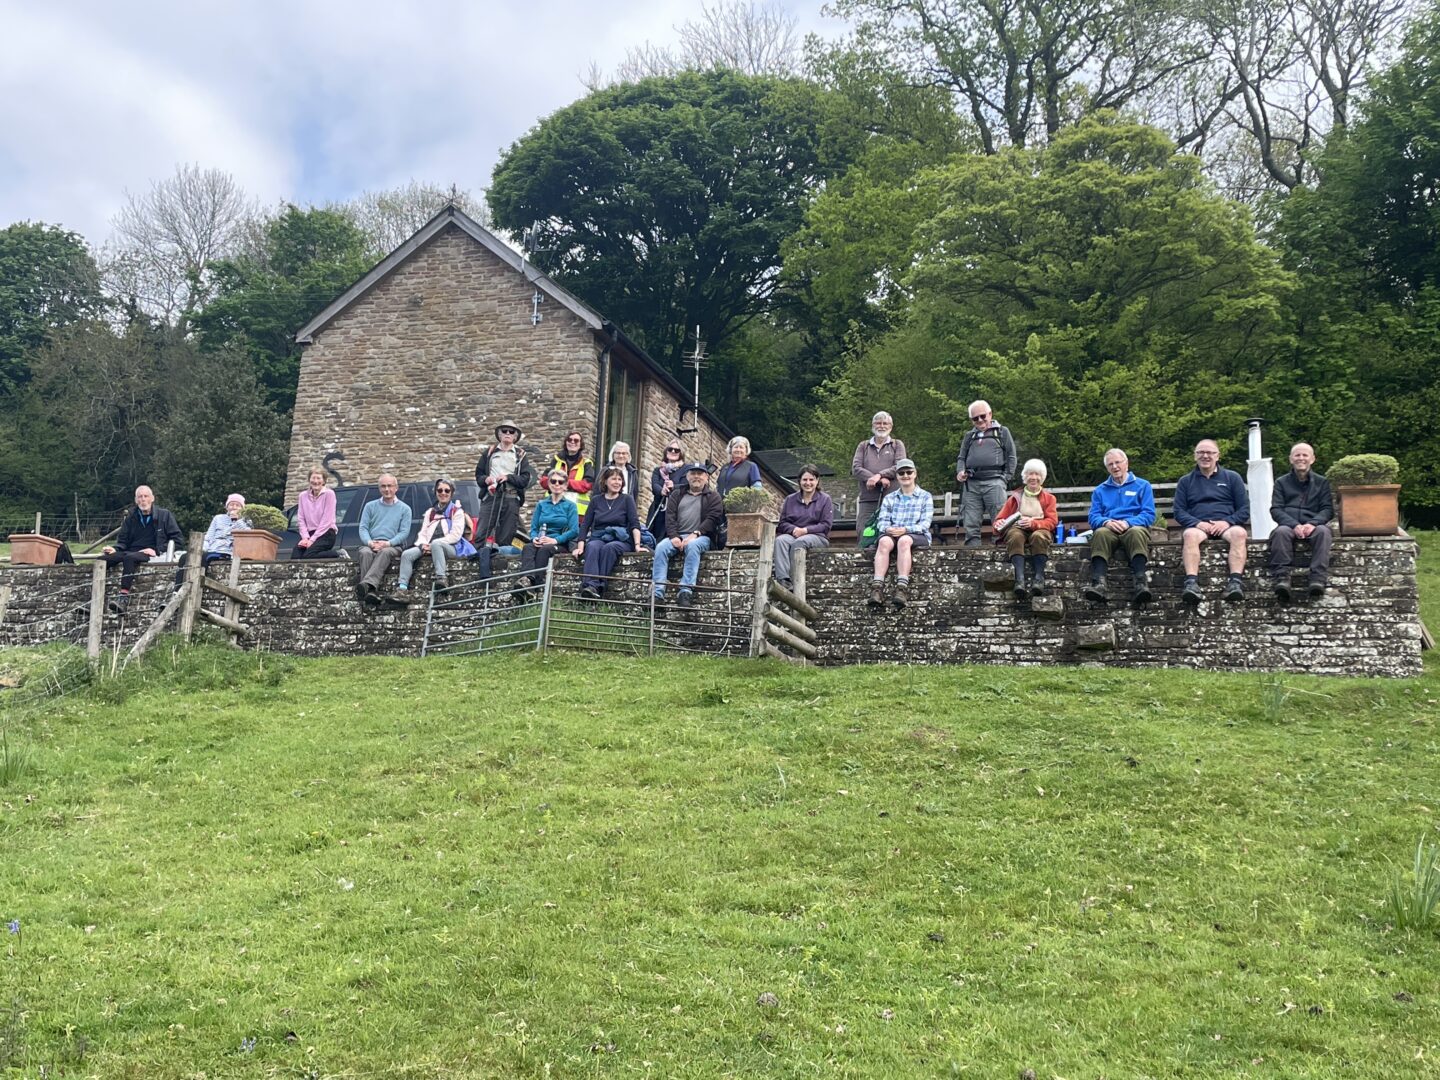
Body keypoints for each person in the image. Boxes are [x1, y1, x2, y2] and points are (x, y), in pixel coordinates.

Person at [1174, 438, 1250, 604]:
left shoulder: (1233, 478)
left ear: (1218, 456)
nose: (1205, 456)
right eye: (1201, 452)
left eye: (1209, 452)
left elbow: (1244, 509)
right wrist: (1198, 523)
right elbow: (1179, 511)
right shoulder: (1185, 481)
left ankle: (1235, 582)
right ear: (1195, 456)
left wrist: (1227, 522)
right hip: (1198, 526)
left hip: (1226, 525)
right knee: (1189, 535)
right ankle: (1191, 583)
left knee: (1240, 533)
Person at [1084, 448, 1158, 604]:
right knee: (1100, 533)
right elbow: (1093, 516)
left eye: (1118, 462)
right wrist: (1107, 522)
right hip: (1109, 528)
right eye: (1110, 464)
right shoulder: (1099, 490)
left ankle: (1140, 582)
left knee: (1136, 532)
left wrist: (1128, 522)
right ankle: (1099, 583)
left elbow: (1149, 514)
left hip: (1133, 526)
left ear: (1126, 463)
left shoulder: (1143, 485)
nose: (1115, 467)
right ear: (1107, 468)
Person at [651, 462, 725, 610]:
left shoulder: (714, 497)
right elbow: (669, 516)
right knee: (660, 548)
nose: (696, 476)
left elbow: (712, 519)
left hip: (702, 537)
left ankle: (685, 592)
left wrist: (695, 534)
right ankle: (657, 594)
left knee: (692, 546)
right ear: (687, 476)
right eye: (693, 473)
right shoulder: (677, 494)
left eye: (700, 474)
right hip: (677, 535)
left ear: (706, 477)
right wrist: (673, 536)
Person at [102, 485, 184, 614]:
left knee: (130, 558)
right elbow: (122, 542)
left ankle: (123, 599)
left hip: (149, 553)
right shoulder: (130, 517)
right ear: (136, 500)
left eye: (146, 496)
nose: (143, 500)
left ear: (152, 499)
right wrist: (114, 548)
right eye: (140, 497)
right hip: (129, 551)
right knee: (102, 560)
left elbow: (178, 541)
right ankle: (94, 600)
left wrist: (157, 550)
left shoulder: (164, 515)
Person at [1269, 442, 1334, 600]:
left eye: (1305, 455)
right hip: (1288, 525)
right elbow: (1276, 509)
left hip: (1314, 525)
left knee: (1324, 532)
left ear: (1312, 459)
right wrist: (1294, 525)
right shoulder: (1281, 482)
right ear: (1291, 459)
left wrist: (1313, 523)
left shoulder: (1322, 482)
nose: (1301, 458)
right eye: (1297, 455)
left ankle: (1317, 580)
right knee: (1280, 532)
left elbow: (1327, 509)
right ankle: (1282, 579)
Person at [394, 479, 476, 599]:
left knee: (437, 544)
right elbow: (423, 533)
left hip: (452, 547)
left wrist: (433, 545)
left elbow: (455, 535)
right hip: (430, 546)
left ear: (451, 493)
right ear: (436, 492)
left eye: (447, 490)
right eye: (440, 490)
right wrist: (423, 545)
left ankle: (441, 578)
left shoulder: (456, 511)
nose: (443, 493)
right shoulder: (430, 512)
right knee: (407, 554)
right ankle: (402, 588)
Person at [868, 458, 932, 610]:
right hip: (892, 533)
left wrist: (905, 529)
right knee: (883, 542)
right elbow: (881, 522)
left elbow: (925, 524)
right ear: (897, 476)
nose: (905, 476)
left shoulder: (925, 496)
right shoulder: (889, 498)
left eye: (909, 472)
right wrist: (889, 529)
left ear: (915, 474)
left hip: (917, 534)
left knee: (904, 541)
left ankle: (901, 588)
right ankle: (877, 587)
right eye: (901, 473)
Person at [574, 466, 645, 599]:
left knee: (609, 548)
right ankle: (590, 585)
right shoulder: (596, 500)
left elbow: (635, 524)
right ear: (605, 481)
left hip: (620, 539)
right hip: (599, 536)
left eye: (619, 479)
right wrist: (580, 547)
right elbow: (585, 525)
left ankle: (600, 586)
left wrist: (637, 545)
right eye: (613, 479)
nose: (617, 482)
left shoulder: (627, 499)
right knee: (593, 546)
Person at [955, 399, 1017, 547]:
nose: (980, 420)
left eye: (983, 416)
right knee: (971, 520)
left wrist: (1005, 478)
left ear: (990, 414)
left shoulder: (1002, 432)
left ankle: (1001, 549)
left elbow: (1011, 456)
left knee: (1000, 518)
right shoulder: (969, 436)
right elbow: (961, 457)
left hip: (995, 481)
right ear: (971, 420)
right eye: (975, 418)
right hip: (971, 483)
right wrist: (960, 471)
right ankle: (972, 553)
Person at [995, 460, 1057, 600]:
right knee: (1015, 536)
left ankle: (1039, 579)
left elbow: (1052, 521)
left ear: (1042, 477)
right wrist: (1001, 522)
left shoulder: (1049, 498)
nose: (1033, 477)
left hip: (1040, 527)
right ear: (1025, 476)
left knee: (1039, 537)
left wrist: (1034, 523)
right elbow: (998, 520)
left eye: (1037, 474)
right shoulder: (1015, 497)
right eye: (1030, 474)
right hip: (1018, 528)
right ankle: (1019, 580)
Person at [518, 468, 581, 599]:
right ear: (549, 484)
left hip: (559, 543)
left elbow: (574, 530)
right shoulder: (541, 504)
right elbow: (534, 527)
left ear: (565, 486)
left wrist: (555, 540)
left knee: (544, 550)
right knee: (528, 547)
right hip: (542, 539)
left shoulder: (570, 506)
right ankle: (527, 580)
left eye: (560, 482)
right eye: (553, 481)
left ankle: (537, 586)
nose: (557, 484)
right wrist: (534, 538)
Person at [355, 474, 414, 606]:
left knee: (385, 552)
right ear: (379, 488)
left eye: (390, 486)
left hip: (392, 545)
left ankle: (365, 585)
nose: (387, 489)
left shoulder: (405, 509)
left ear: (396, 488)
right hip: (371, 543)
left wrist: (387, 543)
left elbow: (404, 532)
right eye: (383, 486)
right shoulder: (370, 506)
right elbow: (363, 528)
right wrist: (370, 543)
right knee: (365, 552)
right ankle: (371, 592)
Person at [475, 422, 534, 551]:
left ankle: (501, 566)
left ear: (515, 436)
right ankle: (478, 562)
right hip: (491, 497)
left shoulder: (520, 455)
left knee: (506, 537)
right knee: (481, 534)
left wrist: (508, 477)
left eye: (511, 432)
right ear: (499, 434)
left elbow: (525, 479)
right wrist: (486, 479)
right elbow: (478, 475)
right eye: (505, 431)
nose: (508, 433)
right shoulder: (489, 452)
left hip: (510, 497)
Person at [773, 465, 833, 592]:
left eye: (811, 479)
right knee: (780, 541)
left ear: (817, 481)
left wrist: (805, 530)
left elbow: (826, 525)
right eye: (805, 480)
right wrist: (794, 529)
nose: (808, 483)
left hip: (818, 537)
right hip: (793, 534)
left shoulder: (825, 499)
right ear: (799, 481)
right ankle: (783, 580)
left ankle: (795, 580)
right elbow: (783, 523)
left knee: (800, 542)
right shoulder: (790, 499)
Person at [852, 411, 906, 550]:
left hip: (892, 499)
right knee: (864, 532)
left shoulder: (897, 445)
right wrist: (875, 479)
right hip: (867, 499)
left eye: (885, 423)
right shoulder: (863, 446)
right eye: (878, 423)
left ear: (891, 426)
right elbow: (856, 468)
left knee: (889, 534)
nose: (881, 426)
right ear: (872, 425)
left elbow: (900, 466)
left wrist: (879, 476)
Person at [541, 430, 594, 519]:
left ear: (581, 444)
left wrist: (563, 483)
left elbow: (587, 485)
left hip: (576, 512)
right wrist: (569, 484)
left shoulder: (586, 463)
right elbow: (544, 481)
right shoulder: (556, 460)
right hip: (553, 508)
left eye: (576, 440)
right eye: (570, 440)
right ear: (566, 443)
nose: (572, 442)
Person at [292, 466, 341, 559]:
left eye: (318, 478)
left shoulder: (329, 494)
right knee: (296, 556)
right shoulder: (303, 496)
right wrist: (305, 538)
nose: (316, 481)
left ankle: (338, 554)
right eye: (313, 478)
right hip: (310, 534)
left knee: (309, 556)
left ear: (324, 481)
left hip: (326, 533)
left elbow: (327, 520)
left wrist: (312, 540)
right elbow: (301, 519)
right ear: (309, 479)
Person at [647, 440, 687, 538]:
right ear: (666, 451)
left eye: (676, 450)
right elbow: (654, 484)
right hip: (659, 508)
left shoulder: (685, 469)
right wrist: (662, 490)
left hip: (676, 510)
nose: (673, 451)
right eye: (670, 449)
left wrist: (674, 486)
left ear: (681, 453)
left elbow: (686, 486)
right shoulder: (658, 470)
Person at [201, 493, 252, 566]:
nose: (234, 507)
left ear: (242, 508)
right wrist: (202, 549)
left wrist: (237, 520)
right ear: (227, 507)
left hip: (228, 551)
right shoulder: (218, 518)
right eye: (231, 504)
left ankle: (198, 576)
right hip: (213, 549)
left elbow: (248, 535)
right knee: (185, 558)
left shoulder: (246, 520)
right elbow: (209, 536)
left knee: (204, 558)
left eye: (237, 505)